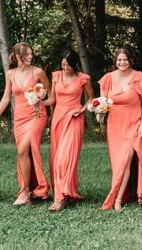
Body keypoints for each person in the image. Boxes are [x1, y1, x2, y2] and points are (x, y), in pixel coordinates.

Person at [0, 41, 51, 205]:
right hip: (19, 118)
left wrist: (42, 103)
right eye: (27, 54)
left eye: (31, 53)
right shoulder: (10, 74)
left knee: (23, 150)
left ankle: (24, 192)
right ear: (17, 56)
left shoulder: (38, 72)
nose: (31, 56)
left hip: (37, 115)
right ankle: (28, 191)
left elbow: (52, 96)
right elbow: (6, 98)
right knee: (23, 153)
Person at [99, 48, 142, 210]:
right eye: (119, 60)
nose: (122, 63)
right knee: (118, 162)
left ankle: (117, 200)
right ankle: (125, 193)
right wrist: (99, 111)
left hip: (134, 122)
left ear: (130, 60)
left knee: (126, 160)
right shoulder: (108, 78)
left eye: (125, 60)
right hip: (115, 125)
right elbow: (102, 102)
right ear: (115, 61)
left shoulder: (140, 78)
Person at [47, 49, 93, 211]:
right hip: (58, 119)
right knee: (56, 158)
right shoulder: (56, 77)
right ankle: (66, 192)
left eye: (68, 65)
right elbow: (52, 99)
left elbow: (91, 99)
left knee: (64, 158)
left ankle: (59, 198)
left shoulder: (83, 79)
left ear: (74, 64)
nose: (65, 67)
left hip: (74, 118)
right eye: (63, 64)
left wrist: (81, 110)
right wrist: (39, 102)